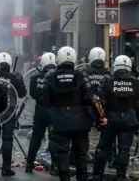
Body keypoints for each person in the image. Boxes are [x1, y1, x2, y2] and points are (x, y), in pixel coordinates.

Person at [41, 46, 107, 181]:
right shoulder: (80, 75)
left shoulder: (51, 76)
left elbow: (45, 101)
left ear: (58, 59)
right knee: (81, 155)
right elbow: (92, 98)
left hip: (60, 122)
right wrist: (101, 116)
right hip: (80, 122)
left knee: (62, 155)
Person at [91, 55, 139, 181]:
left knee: (103, 148)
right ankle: (120, 177)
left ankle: (98, 176)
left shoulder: (107, 80)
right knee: (124, 150)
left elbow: (98, 103)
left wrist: (99, 120)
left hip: (110, 119)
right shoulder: (135, 82)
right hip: (129, 120)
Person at [25, 52, 58, 175]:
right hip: (54, 110)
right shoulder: (57, 76)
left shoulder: (34, 77)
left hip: (40, 109)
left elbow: (33, 94)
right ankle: (55, 166)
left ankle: (29, 164)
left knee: (36, 137)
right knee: (54, 138)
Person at [0, 52, 26, 176]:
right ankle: (6, 167)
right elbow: (22, 93)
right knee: (7, 138)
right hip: (10, 110)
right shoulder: (14, 77)